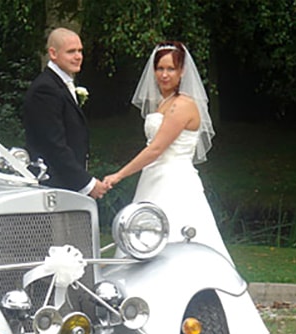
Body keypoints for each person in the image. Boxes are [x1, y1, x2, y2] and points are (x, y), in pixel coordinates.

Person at [103, 41, 230, 259]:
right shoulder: (163, 103)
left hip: (174, 181)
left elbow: (156, 149)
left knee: (174, 236)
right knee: (143, 236)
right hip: (152, 178)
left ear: (181, 72)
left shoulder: (182, 105)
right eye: (160, 68)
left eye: (171, 69)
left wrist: (119, 175)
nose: (164, 74)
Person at [23, 27, 110, 199]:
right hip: (54, 187)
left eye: (80, 51)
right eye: (71, 52)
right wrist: (87, 183)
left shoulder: (59, 84)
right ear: (53, 54)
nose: (78, 56)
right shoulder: (45, 89)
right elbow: (53, 145)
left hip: (66, 184)